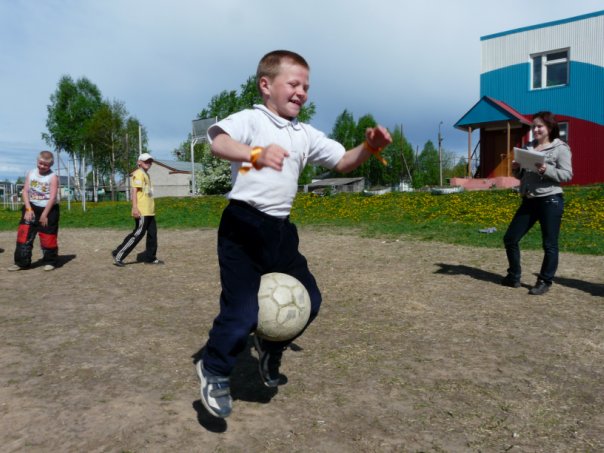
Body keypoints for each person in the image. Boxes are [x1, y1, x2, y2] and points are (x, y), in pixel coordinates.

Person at [196, 49, 393, 418]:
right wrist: (254, 154)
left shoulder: (305, 134)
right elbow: (218, 141)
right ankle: (214, 369)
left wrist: (369, 147)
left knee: (311, 302)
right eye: (294, 83)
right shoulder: (252, 120)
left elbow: (343, 161)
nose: (302, 92)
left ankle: (272, 349)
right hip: (242, 227)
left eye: (306, 86)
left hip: (281, 231)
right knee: (242, 313)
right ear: (266, 85)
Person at [501, 111, 573, 295]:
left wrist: (545, 169)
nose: (536, 129)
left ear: (549, 128)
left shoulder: (560, 148)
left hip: (550, 200)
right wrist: (517, 169)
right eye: (534, 126)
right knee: (510, 238)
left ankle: (544, 281)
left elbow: (567, 175)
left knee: (549, 245)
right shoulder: (528, 147)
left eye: (540, 126)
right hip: (529, 199)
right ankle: (514, 276)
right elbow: (523, 176)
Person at [8, 150, 60, 272]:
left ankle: (50, 261)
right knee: (24, 235)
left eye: (46, 165)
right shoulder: (31, 173)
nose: (42, 166)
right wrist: (28, 209)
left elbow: (52, 197)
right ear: (37, 161)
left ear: (50, 165)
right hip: (31, 207)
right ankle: (21, 263)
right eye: (41, 163)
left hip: (49, 209)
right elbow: (25, 192)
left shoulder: (52, 177)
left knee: (48, 237)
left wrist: (45, 214)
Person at [112, 153, 164, 267]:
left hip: (150, 211)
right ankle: (118, 255)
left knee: (152, 234)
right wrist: (135, 208)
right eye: (146, 161)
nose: (148, 163)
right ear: (139, 162)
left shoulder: (146, 175)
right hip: (142, 211)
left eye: (150, 161)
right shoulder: (138, 174)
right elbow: (134, 192)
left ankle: (150, 258)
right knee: (138, 234)